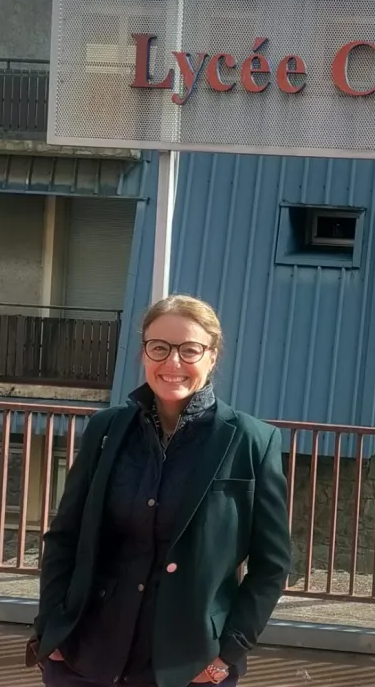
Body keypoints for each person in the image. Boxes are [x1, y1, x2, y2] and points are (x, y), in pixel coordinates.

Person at [27, 294, 292, 687]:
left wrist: (227, 654)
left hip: (190, 666)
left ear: (212, 356)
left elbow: (272, 566)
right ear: (143, 353)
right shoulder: (106, 430)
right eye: (160, 348)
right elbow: (64, 537)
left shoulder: (253, 442)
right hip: (85, 656)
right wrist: (51, 629)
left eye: (190, 350)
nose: (173, 363)